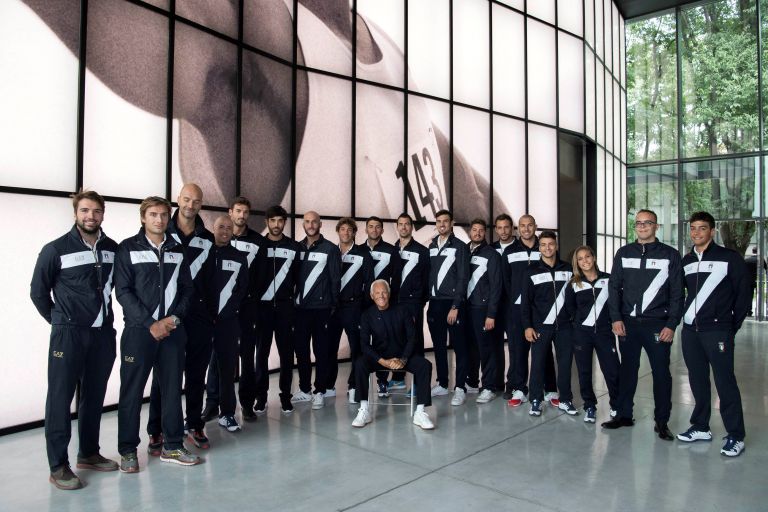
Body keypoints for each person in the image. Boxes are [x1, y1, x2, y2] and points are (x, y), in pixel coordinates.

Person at [31, 190, 120, 490]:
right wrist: (60, 321)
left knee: (93, 396)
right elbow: (38, 293)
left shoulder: (113, 249)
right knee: (59, 399)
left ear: (103, 214)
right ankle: (58, 466)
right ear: (75, 214)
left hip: (102, 335)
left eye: (96, 211)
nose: (90, 216)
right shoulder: (55, 249)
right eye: (84, 211)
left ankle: (89, 453)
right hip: (68, 335)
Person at [114, 196, 200, 472]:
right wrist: (151, 323)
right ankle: (128, 451)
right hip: (139, 333)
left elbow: (188, 289)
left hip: (173, 332)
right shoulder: (127, 248)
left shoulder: (177, 249)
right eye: (153, 214)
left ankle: (172, 446)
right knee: (131, 393)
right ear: (143, 218)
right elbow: (123, 291)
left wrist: (174, 319)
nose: (159, 220)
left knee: (172, 391)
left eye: (163, 215)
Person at [603, 209, 684, 441]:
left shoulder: (670, 254)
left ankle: (662, 421)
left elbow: (678, 293)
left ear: (656, 227)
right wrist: (616, 318)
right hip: (628, 324)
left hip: (658, 325)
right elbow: (613, 288)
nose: (642, 226)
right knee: (627, 372)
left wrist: (672, 324)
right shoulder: (624, 253)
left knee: (661, 374)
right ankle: (624, 415)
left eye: (647, 223)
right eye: (638, 223)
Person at [146, 184, 215, 452]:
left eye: (196, 201)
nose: (190, 205)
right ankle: (157, 429)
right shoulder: (163, 231)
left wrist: (210, 314)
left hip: (198, 316)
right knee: (163, 376)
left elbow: (210, 281)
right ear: (178, 199)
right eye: (186, 199)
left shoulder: (206, 239)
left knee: (197, 374)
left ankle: (194, 423)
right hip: (168, 315)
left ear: (200, 204)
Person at [677, 211, 750, 457]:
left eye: (702, 228)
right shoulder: (686, 261)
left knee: (725, 381)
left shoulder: (729, 258)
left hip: (717, 330)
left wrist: (731, 326)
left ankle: (736, 435)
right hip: (690, 332)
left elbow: (743, 295)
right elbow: (682, 294)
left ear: (712, 231)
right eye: (693, 228)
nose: (697, 232)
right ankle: (700, 426)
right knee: (697, 380)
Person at [203, 197, 265, 421]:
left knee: (247, 358)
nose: (241, 215)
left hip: (247, 309)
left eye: (245, 212)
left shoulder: (259, 241)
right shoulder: (211, 245)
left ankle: (246, 404)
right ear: (230, 212)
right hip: (218, 311)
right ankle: (212, 404)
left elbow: (260, 278)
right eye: (238, 211)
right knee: (215, 357)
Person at [352, 280, 435, 430]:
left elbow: (412, 337)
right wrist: (382, 361)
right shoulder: (367, 315)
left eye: (384, 292)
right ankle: (364, 409)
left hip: (402, 356)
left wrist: (403, 359)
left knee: (425, 365)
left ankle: (420, 412)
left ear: (389, 294)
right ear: (372, 296)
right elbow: (364, 345)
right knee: (360, 364)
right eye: (377, 293)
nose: (381, 296)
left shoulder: (402, 310)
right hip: (380, 357)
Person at [501, 215, 559, 408]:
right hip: (516, 310)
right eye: (522, 226)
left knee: (544, 351)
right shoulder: (509, 251)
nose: (526, 229)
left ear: (535, 226)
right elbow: (505, 280)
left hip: (541, 311)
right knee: (518, 350)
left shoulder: (543, 247)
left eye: (530, 225)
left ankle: (550, 388)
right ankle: (519, 388)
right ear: (518, 229)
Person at [520, 231, 577, 417]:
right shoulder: (530, 271)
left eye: (551, 244)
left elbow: (576, 297)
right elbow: (525, 302)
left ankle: (566, 399)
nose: (547, 248)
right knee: (537, 364)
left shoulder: (568, 269)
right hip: (540, 327)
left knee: (565, 364)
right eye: (543, 245)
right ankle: (535, 400)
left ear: (556, 246)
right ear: (539, 247)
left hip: (565, 327)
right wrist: (528, 326)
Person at [564, 246, 620, 423]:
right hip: (582, 334)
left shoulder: (609, 280)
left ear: (594, 258)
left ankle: (617, 405)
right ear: (577, 263)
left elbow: (615, 305)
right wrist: (580, 324)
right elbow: (570, 308)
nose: (585, 261)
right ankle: (590, 406)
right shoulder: (574, 284)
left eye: (587, 256)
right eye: (580, 259)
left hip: (604, 333)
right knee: (584, 372)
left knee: (612, 370)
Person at [255, 205, 302, 413]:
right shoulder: (259, 245)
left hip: (285, 309)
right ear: (267, 222)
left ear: (284, 222)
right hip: (263, 310)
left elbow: (299, 277)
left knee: (286, 355)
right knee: (261, 355)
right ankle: (261, 398)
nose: (276, 225)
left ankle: (285, 397)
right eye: (272, 221)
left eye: (280, 221)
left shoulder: (294, 247)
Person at [206, 216, 250, 433]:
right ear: (213, 228)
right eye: (220, 227)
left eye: (228, 228)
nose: (224, 231)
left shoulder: (240, 257)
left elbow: (242, 289)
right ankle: (201, 413)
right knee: (201, 369)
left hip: (228, 322)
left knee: (226, 368)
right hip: (203, 321)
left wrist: (230, 309)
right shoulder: (204, 253)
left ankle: (227, 414)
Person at [294, 211, 341, 410]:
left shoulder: (330, 249)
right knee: (302, 351)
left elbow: (335, 279)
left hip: (322, 309)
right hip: (300, 310)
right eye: (307, 222)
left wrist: (333, 306)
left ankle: (320, 391)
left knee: (321, 351)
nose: (311, 225)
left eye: (314, 222)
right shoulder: (297, 248)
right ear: (303, 224)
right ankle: (305, 389)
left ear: (320, 224)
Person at [427, 210, 470, 404]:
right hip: (435, 303)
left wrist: (456, 305)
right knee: (438, 347)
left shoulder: (460, 246)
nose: (442, 224)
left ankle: (460, 387)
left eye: (445, 221)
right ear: (436, 223)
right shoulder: (432, 245)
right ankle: (443, 384)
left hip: (453, 304)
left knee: (460, 346)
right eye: (439, 221)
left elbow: (463, 277)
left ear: (451, 223)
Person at [328, 217, 373, 404]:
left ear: (355, 233)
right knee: (329, 348)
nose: (346, 233)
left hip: (354, 308)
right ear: (338, 231)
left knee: (357, 349)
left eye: (350, 230)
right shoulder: (331, 252)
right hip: (332, 308)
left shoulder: (364, 254)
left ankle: (354, 385)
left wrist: (364, 308)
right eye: (343, 229)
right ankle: (328, 385)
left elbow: (370, 282)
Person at [464, 219, 503, 405]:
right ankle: (471, 382)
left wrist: (491, 314)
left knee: (486, 349)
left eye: (481, 230)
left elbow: (497, 286)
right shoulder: (464, 251)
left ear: (485, 233)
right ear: (470, 231)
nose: (477, 233)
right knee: (470, 347)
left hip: (482, 308)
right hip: (466, 307)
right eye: (474, 230)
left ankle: (489, 386)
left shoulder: (492, 254)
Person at [391, 213, 430, 392]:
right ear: (397, 227)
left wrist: (419, 301)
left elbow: (427, 279)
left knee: (415, 340)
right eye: (401, 224)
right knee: (397, 338)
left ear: (411, 227)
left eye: (407, 224)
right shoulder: (393, 250)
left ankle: (417, 383)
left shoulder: (422, 251)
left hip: (413, 303)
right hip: (395, 303)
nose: (404, 227)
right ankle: (398, 378)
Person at [364, 216, 402, 396]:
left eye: (378, 227)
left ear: (382, 230)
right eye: (370, 227)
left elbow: (396, 278)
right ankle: (356, 382)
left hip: (384, 304)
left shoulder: (391, 250)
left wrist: (390, 302)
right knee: (362, 342)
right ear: (365, 229)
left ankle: (382, 381)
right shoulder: (359, 250)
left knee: (384, 341)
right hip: (362, 304)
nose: (374, 230)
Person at [491, 214, 515, 397]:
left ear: (512, 228)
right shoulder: (490, 249)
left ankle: (512, 383)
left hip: (511, 305)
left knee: (514, 346)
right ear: (496, 229)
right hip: (492, 305)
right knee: (494, 345)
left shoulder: (518, 249)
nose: (503, 231)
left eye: (506, 227)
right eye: (500, 227)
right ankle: (496, 381)